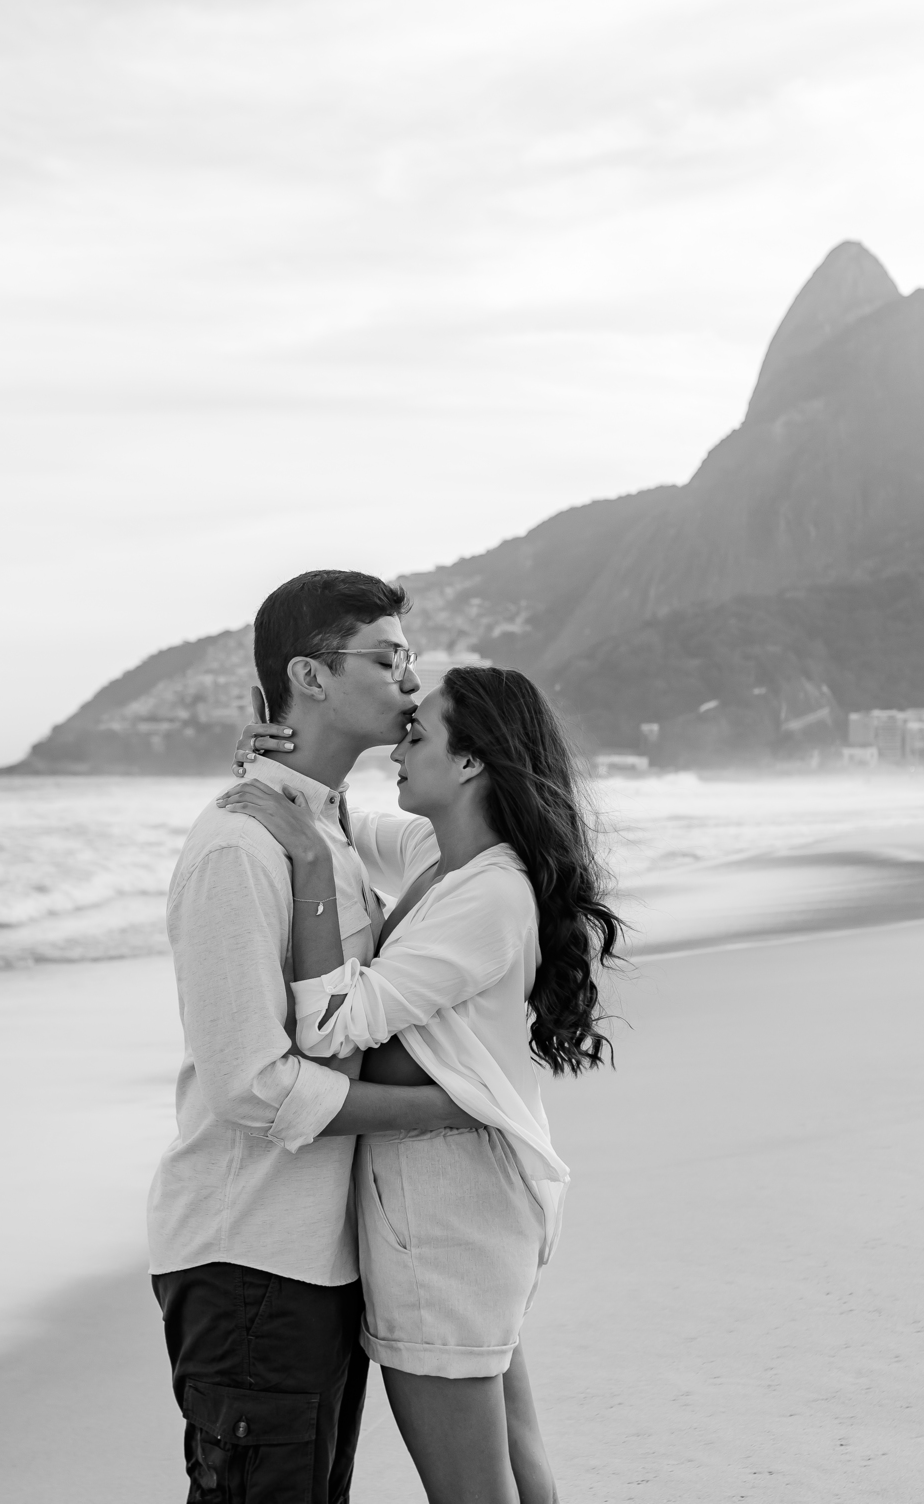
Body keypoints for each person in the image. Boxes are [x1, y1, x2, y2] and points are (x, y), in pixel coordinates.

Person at [221, 663, 621, 1504]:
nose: (399, 745)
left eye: (419, 734)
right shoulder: (449, 855)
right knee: (513, 1460)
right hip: (466, 1199)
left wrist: (299, 861)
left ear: (472, 762)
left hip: (442, 1215)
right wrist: (271, 765)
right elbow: (339, 820)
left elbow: (333, 1023)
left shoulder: (490, 894)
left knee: (474, 1489)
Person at [147, 571, 482, 1504]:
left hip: (320, 1256)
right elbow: (251, 1084)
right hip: (248, 1251)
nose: (411, 681)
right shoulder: (238, 846)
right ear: (311, 675)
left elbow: (486, 840)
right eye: (388, 657)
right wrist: (440, 1109)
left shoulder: (329, 828)